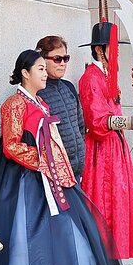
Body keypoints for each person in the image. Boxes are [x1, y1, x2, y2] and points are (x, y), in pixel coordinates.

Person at [0, 50, 122, 265]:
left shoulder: (41, 102)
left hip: (49, 174)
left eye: (45, 69)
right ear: (25, 73)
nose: (45, 74)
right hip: (25, 177)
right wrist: (43, 161)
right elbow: (11, 145)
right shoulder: (14, 104)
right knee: (28, 230)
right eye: (40, 69)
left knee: (62, 228)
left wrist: (56, 165)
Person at [78, 0, 133, 265]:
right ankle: (105, 263)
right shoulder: (90, 78)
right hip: (100, 155)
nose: (117, 52)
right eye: (113, 47)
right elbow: (96, 120)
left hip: (114, 154)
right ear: (100, 50)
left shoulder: (108, 77)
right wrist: (127, 121)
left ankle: (117, 261)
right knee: (105, 207)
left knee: (120, 205)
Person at [36, 35, 86, 181]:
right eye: (57, 59)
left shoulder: (69, 87)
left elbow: (80, 125)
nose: (63, 63)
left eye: (66, 58)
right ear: (43, 60)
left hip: (76, 169)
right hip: (53, 174)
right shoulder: (37, 92)